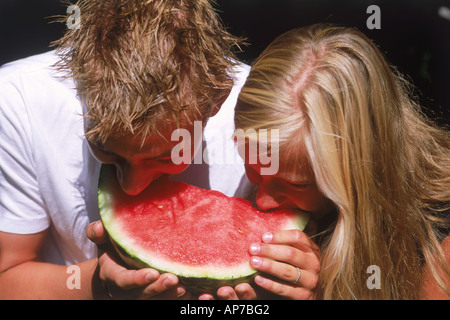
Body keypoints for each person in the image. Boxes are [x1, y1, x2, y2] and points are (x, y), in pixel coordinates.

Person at [0, 0, 252, 299]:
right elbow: (8, 276)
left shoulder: (265, 113)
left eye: (166, 155)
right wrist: (95, 283)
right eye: (108, 153)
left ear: (217, 100)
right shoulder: (18, 100)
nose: (131, 188)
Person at [231, 24, 450, 299]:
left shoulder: (441, 244)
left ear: (358, 171)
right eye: (252, 167)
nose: (262, 200)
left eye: (296, 185)